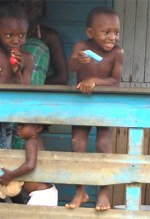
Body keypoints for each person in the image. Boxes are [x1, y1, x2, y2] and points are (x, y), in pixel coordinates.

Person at [66, 6, 124, 211]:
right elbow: (71, 68)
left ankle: (104, 191)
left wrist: (94, 81)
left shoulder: (117, 53)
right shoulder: (82, 46)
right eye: (106, 32)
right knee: (77, 143)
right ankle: (80, 191)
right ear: (90, 33)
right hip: (81, 104)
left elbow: (115, 81)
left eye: (116, 32)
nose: (112, 37)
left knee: (103, 145)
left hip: (104, 105)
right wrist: (77, 60)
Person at [0, 1, 33, 149]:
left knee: (4, 154)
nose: (16, 40)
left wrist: (17, 72)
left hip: (8, 117)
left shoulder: (27, 58)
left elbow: (24, 94)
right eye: (9, 35)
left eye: (21, 35)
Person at [0, 123, 58, 206]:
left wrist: (11, 175)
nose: (18, 127)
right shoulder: (36, 141)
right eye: (18, 125)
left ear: (37, 128)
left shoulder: (31, 142)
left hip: (42, 195)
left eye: (22, 125)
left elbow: (30, 165)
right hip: (45, 193)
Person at [17, 0, 68, 85]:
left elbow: (62, 78)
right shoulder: (3, 33)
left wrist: (36, 84)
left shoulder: (49, 36)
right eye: (25, 4)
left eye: (37, 5)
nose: (31, 9)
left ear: (42, 11)